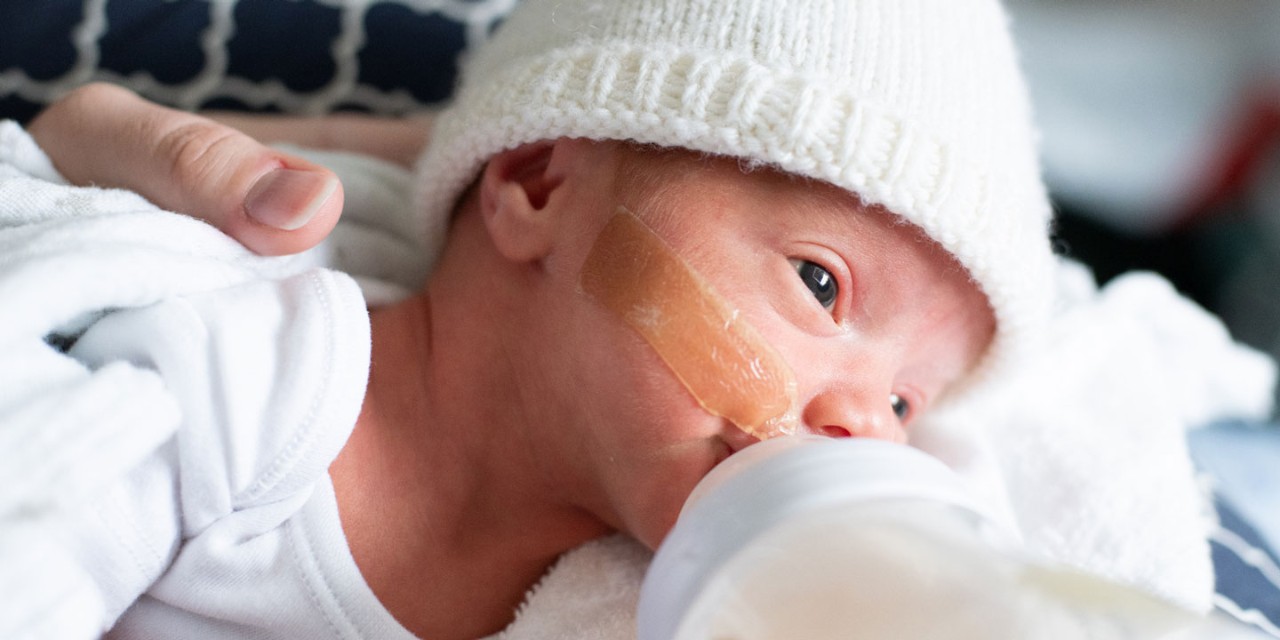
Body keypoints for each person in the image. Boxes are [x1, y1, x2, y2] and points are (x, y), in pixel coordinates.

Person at [7, 0, 1056, 637]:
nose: (863, 423)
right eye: (822, 286)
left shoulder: (643, 593)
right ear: (542, 187)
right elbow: (39, 535)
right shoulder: (259, 382)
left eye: (908, 397)